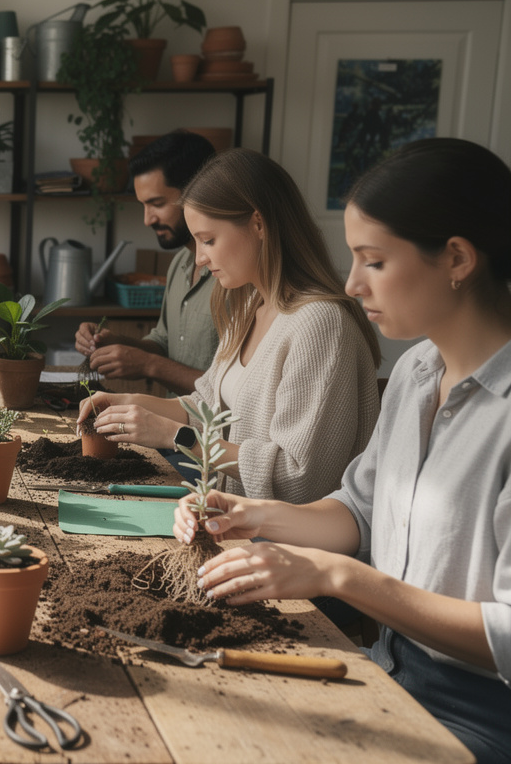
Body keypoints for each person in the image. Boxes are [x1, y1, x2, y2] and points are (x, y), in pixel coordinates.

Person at [181, 139, 511, 761]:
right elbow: (358, 511)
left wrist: (337, 576)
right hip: (386, 671)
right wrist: (248, 514)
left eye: (374, 261)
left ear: (457, 258)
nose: (353, 284)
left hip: (483, 718)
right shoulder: (415, 374)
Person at [79, 148, 381, 504]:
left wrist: (175, 436)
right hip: (235, 520)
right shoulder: (249, 307)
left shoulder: (320, 325)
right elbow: (207, 406)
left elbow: (299, 478)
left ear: (258, 224)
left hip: (281, 535)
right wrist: (128, 404)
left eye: (208, 240)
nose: (200, 258)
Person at [74, 130, 218, 396]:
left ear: (198, 192)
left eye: (157, 203)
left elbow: (236, 392)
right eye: (143, 205)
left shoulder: (238, 276)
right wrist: (114, 342)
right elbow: (164, 343)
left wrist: (149, 365)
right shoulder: (180, 263)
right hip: (171, 421)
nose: (147, 219)